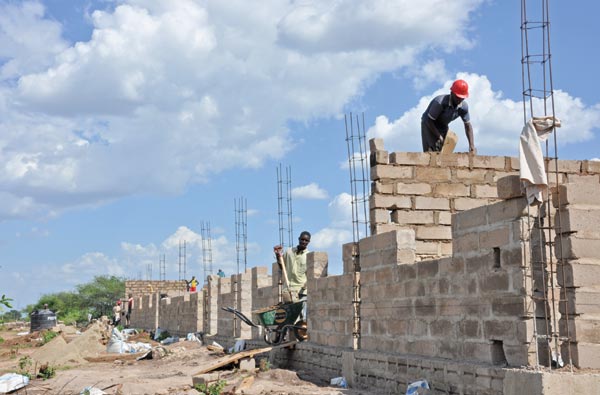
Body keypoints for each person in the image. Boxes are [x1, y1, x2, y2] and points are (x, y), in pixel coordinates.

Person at [421, 79, 475, 153]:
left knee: (445, 150)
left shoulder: (463, 107)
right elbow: (429, 120)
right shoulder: (440, 102)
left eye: (462, 98)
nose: (459, 100)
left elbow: (468, 126)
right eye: (457, 97)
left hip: (443, 126)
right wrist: (439, 136)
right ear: (451, 93)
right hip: (429, 124)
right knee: (432, 151)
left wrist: (471, 145)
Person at [273, 231, 311, 303]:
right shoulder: (289, 252)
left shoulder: (308, 256)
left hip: (301, 292)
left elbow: (310, 274)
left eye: (306, 240)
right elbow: (282, 267)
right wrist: (278, 255)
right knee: (290, 313)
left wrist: (305, 285)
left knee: (301, 313)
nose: (303, 242)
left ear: (309, 242)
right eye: (302, 239)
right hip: (287, 290)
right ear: (299, 239)